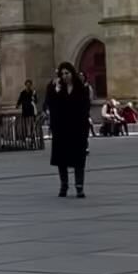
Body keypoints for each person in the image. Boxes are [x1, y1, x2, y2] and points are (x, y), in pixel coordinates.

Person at [48, 64, 91, 197]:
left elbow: (85, 108)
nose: (65, 76)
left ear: (72, 73)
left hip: (77, 129)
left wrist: (84, 129)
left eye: (67, 73)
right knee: (62, 159)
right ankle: (64, 185)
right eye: (62, 74)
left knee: (79, 159)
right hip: (62, 129)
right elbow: (52, 105)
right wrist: (55, 90)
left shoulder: (81, 89)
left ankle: (79, 187)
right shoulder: (58, 90)